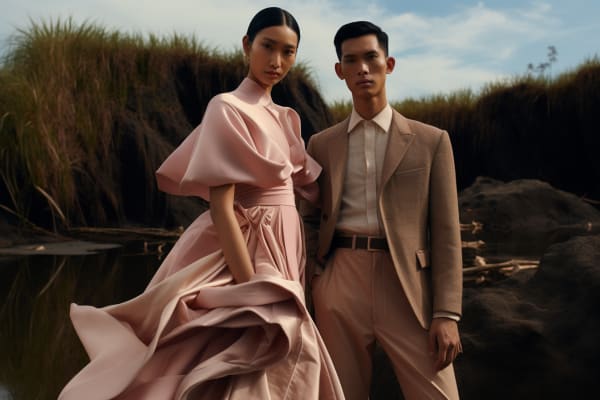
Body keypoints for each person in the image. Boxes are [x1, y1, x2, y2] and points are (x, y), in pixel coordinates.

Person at [58, 7, 344, 400]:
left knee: (274, 356)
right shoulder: (227, 107)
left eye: (288, 52)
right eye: (268, 47)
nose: (277, 61)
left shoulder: (283, 116)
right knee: (248, 346)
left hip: (285, 243)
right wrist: (249, 289)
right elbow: (222, 207)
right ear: (247, 46)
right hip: (249, 245)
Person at [301, 21, 463, 400]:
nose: (362, 69)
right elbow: (308, 215)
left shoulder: (431, 141)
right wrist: (315, 278)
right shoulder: (321, 144)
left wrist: (447, 313)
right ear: (340, 71)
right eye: (351, 60)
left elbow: (445, 232)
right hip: (339, 281)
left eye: (371, 57)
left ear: (388, 64)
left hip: (407, 284)